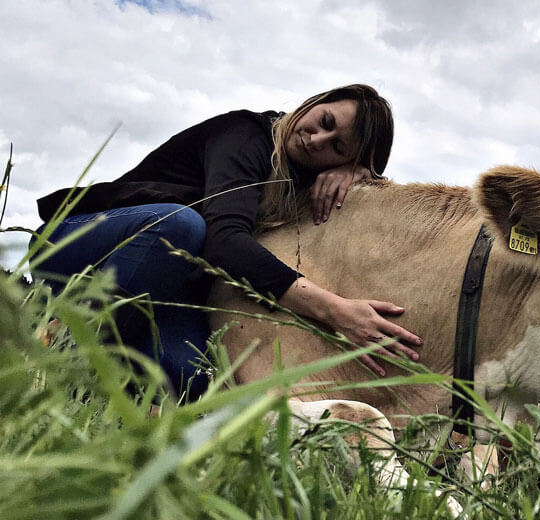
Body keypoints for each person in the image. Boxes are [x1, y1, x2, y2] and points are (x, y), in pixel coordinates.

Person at [31, 84, 421, 400]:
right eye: (325, 120)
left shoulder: (299, 180)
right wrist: (335, 311)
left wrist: (361, 178)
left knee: (192, 378)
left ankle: (111, 374)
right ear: (314, 103)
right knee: (180, 225)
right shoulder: (246, 136)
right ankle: (67, 347)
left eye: (336, 146)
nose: (317, 138)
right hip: (78, 244)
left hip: (163, 289)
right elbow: (225, 241)